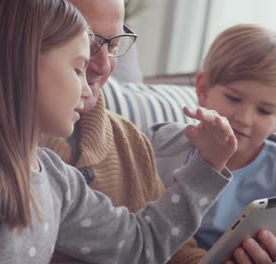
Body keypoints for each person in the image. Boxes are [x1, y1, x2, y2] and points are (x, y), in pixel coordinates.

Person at [0, 0, 238, 263]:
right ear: (22, 65)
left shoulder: (54, 177)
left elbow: (139, 246)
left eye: (113, 44)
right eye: (78, 65)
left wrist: (205, 167)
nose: (99, 71)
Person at [150, 24, 276, 263]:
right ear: (203, 89)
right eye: (234, 98)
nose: (244, 118)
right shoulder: (160, 150)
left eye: (264, 110)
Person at [43, 0, 210, 262]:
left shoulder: (131, 142)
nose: (103, 65)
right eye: (89, 41)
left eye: (113, 45)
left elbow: (168, 249)